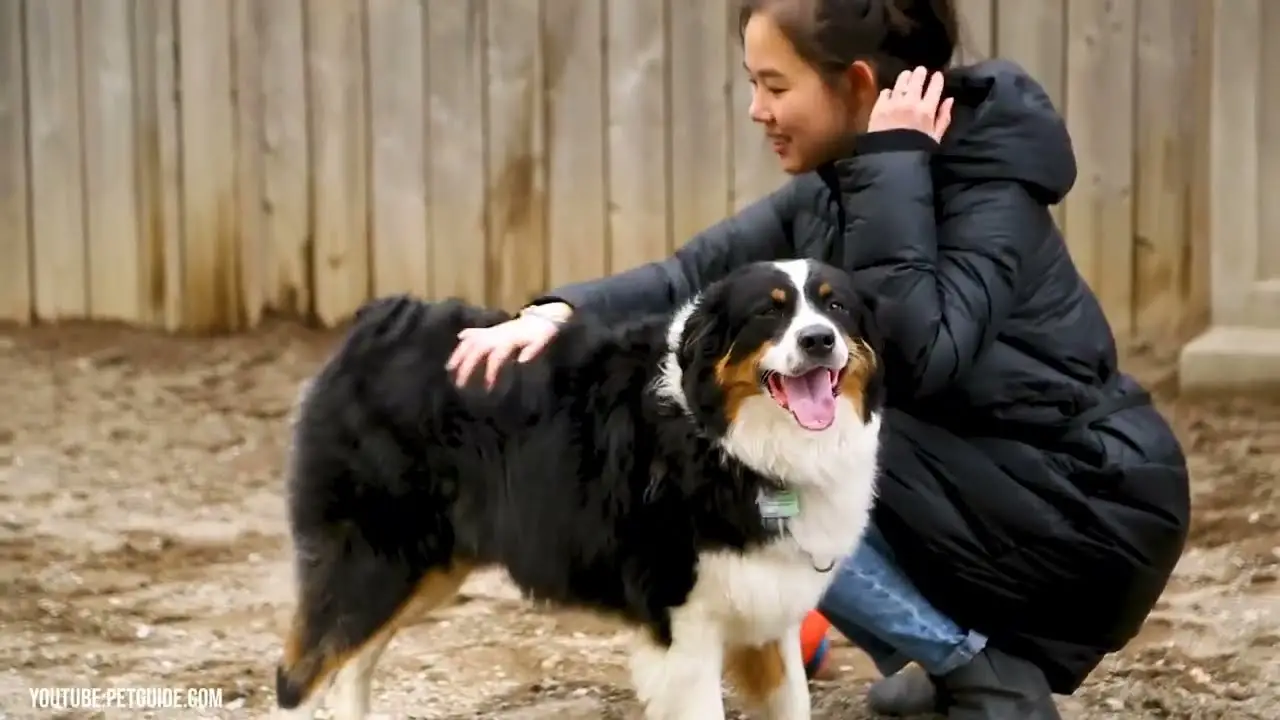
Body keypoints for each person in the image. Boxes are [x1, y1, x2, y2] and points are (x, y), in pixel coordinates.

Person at [446, 0, 1191, 717]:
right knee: (757, 423)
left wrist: (890, 164)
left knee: (791, 453)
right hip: (993, 487)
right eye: (752, 84)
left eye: (773, 85)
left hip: (1093, 503)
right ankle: (953, 659)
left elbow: (924, 354)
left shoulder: (986, 194)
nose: (756, 110)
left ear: (860, 85)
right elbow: (690, 277)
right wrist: (556, 313)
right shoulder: (835, 187)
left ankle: (975, 666)